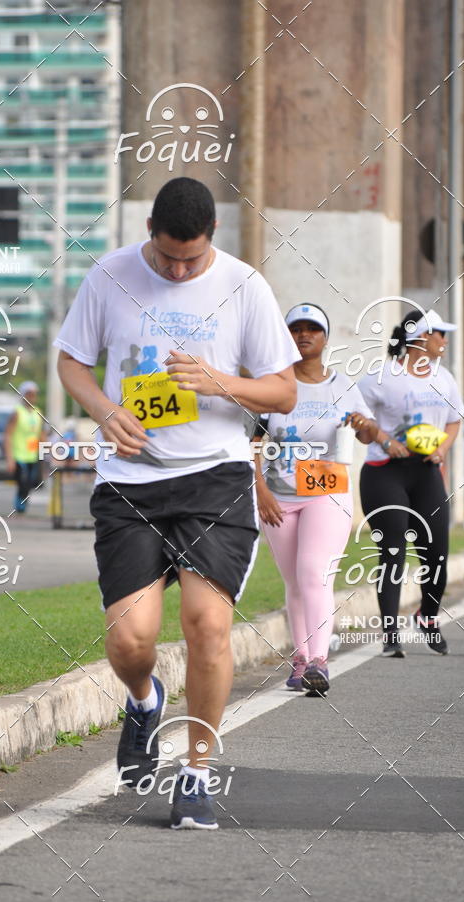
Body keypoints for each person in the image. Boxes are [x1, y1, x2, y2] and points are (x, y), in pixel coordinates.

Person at [55, 177, 299, 829]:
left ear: (211, 235)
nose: (179, 270)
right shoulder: (110, 276)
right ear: (150, 235)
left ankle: (196, 773)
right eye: (167, 258)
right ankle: (144, 699)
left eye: (191, 259)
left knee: (206, 627)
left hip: (215, 478)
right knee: (131, 640)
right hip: (130, 481)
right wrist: (104, 410)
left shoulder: (245, 286)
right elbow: (72, 362)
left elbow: (283, 391)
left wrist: (220, 382)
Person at [254, 304, 378, 696]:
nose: (304, 335)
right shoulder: (272, 386)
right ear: (285, 336)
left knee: (315, 573)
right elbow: (251, 444)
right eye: (296, 329)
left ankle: (319, 661)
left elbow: (368, 434)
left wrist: (365, 425)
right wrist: (260, 492)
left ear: (325, 338)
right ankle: (301, 658)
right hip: (279, 496)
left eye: (313, 329)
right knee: (294, 580)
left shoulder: (343, 386)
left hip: (328, 494)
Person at [358, 308, 464, 657]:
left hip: (426, 473)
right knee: (393, 552)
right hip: (384, 472)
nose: (444, 340)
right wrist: (383, 438)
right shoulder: (382, 376)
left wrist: (443, 449)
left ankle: (427, 617)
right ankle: (391, 634)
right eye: (440, 333)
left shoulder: (444, 378)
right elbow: (357, 417)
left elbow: (454, 421)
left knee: (436, 557)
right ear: (420, 337)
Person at [4, 381, 45, 514]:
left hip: (32, 455)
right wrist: (9, 459)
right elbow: (7, 435)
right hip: (19, 455)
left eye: (34, 394)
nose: (32, 397)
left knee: (31, 483)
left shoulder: (38, 412)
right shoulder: (17, 413)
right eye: (29, 394)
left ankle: (22, 503)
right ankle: (19, 506)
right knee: (23, 482)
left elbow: (41, 434)